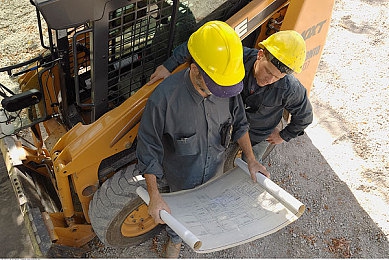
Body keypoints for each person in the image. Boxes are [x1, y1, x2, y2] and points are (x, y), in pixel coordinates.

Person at [136, 21, 269, 258]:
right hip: (181, 179)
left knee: (210, 204)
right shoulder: (164, 99)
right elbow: (149, 148)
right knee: (180, 214)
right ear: (196, 69)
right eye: (214, 88)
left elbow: (239, 123)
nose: (220, 94)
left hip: (215, 172)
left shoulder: (227, 87)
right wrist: (155, 196)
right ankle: (175, 240)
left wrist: (251, 159)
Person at [147, 29, 313, 163]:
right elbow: (200, 45)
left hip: (257, 135)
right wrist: (168, 66)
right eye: (268, 71)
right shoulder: (235, 57)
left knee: (251, 170)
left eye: (277, 77)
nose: (270, 80)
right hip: (225, 127)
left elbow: (305, 117)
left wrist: (283, 136)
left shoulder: (290, 88)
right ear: (260, 55)